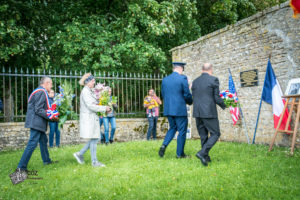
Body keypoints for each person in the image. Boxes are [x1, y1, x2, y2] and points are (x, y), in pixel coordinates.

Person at [10, 76, 58, 183]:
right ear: (46, 83)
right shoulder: (41, 92)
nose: (51, 86)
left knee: (43, 141)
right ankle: (21, 169)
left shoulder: (38, 91)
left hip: (38, 122)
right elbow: (39, 109)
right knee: (32, 144)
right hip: (36, 122)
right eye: (51, 84)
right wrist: (50, 116)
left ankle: (47, 161)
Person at [192, 63, 226, 166]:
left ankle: (205, 158)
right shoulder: (213, 80)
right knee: (215, 134)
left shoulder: (195, 81)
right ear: (210, 70)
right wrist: (225, 104)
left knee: (203, 135)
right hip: (209, 112)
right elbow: (216, 98)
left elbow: (195, 96)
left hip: (197, 112)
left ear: (202, 70)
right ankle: (202, 153)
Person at [73, 73, 111, 167]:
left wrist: (103, 100)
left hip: (92, 118)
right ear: (88, 82)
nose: (94, 82)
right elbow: (90, 106)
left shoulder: (89, 90)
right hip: (89, 118)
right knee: (95, 138)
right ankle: (94, 162)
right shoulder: (85, 91)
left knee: (95, 138)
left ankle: (80, 154)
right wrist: (103, 108)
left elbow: (96, 101)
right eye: (93, 81)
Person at [158, 62, 193, 158]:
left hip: (168, 109)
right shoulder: (183, 78)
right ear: (181, 68)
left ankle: (164, 145)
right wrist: (190, 101)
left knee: (172, 128)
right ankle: (180, 154)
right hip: (179, 109)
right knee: (182, 131)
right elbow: (186, 94)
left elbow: (163, 94)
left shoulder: (165, 80)